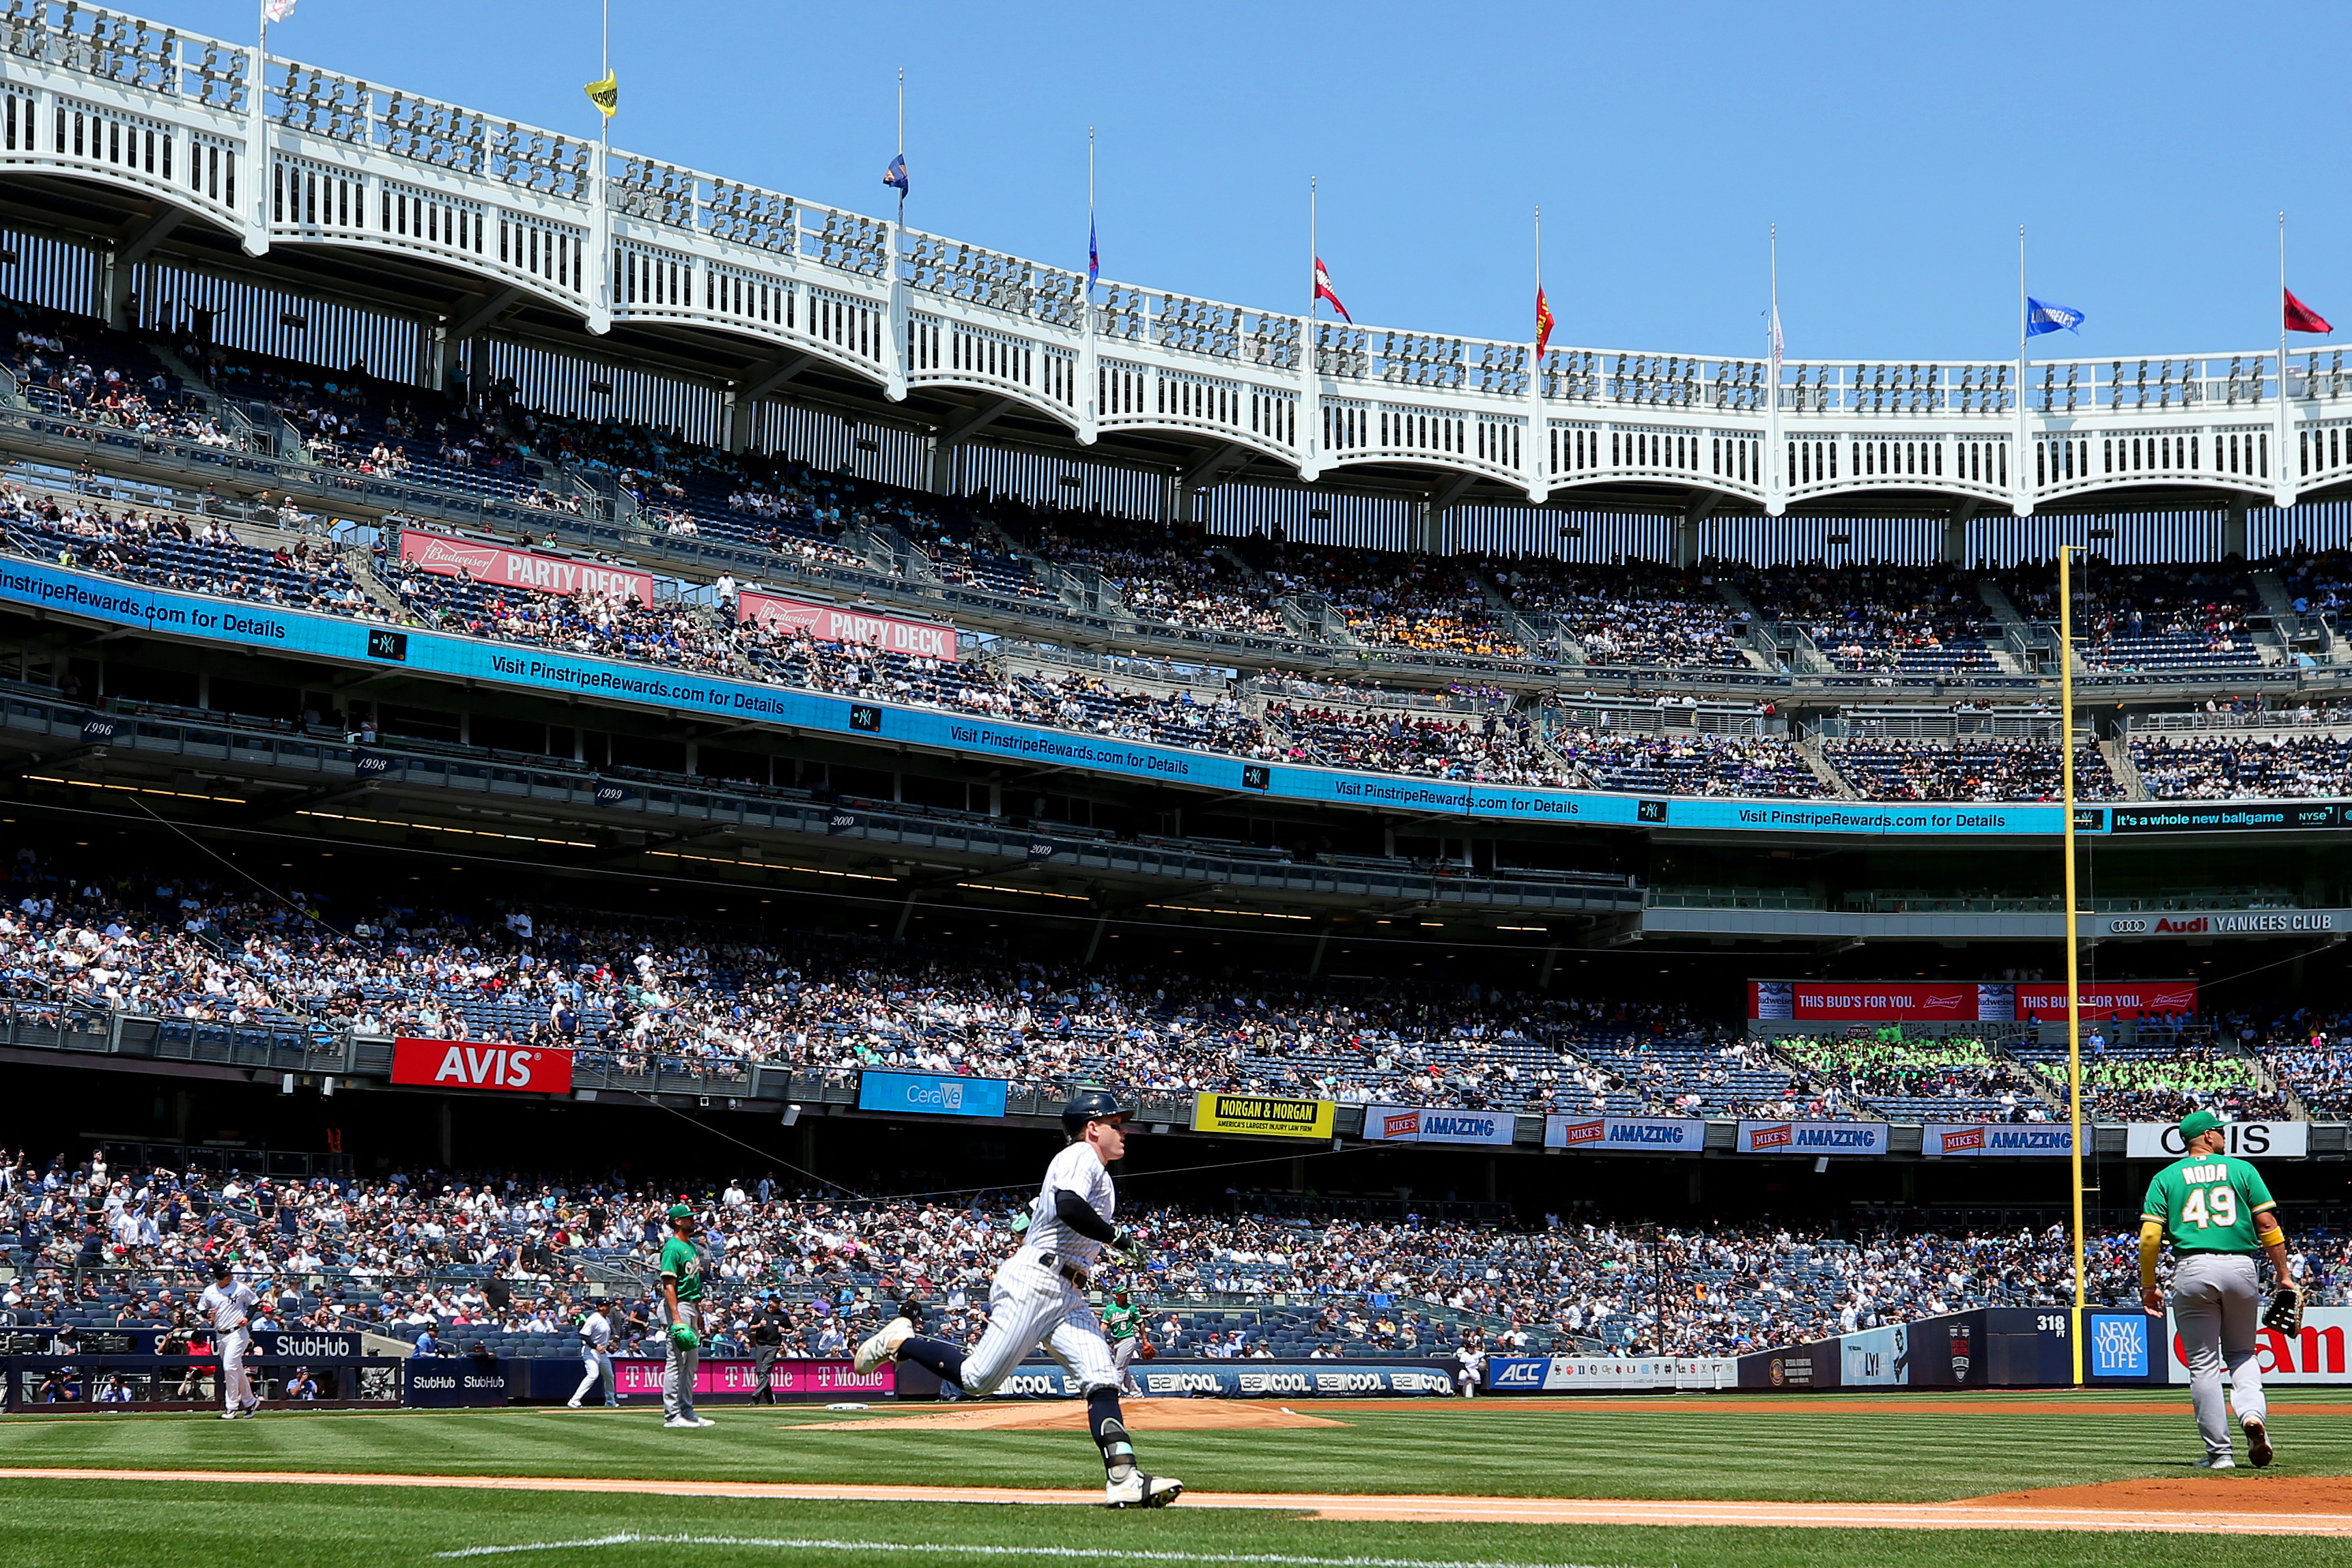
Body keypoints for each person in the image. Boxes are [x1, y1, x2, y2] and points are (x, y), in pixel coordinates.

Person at [853, 1089, 1182, 1508]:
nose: (1124, 1132)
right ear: (1092, 1128)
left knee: (1102, 1379)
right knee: (977, 1381)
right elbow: (1067, 1206)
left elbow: (1032, 1214)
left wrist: (1030, 1217)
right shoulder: (1081, 1155)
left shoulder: (1088, 1166)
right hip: (1037, 1281)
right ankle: (902, 1341)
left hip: (1066, 1292)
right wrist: (1115, 1236)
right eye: (1116, 1125)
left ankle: (1124, 1478)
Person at [2140, 1109, 2299, 1468]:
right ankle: (2251, 1417)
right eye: (2220, 1132)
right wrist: (2283, 1273)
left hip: (2193, 1268)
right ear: (2208, 1137)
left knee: (2203, 1364)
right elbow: (2267, 1222)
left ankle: (2220, 1455)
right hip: (2241, 1266)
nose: (2224, 1137)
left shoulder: (2165, 1177)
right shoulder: (2242, 1170)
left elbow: (2150, 1236)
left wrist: (2149, 1286)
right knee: (2243, 1353)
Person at [657, 1201, 713, 1429]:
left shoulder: (690, 1246)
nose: (693, 1220)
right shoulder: (672, 1247)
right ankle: (672, 1416)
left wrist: (698, 1314)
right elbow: (668, 1285)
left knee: (691, 1363)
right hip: (678, 1305)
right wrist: (677, 1318)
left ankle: (687, 1411)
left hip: (691, 1304)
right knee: (676, 1362)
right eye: (689, 1218)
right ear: (678, 1221)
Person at [197, 1260, 259, 1419]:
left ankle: (231, 1408)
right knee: (236, 1369)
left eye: (230, 1273)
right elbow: (202, 1308)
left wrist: (247, 1318)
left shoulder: (240, 1287)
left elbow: (254, 1302)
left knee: (229, 1367)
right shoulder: (210, 1291)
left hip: (238, 1333)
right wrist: (207, 1314)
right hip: (220, 1334)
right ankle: (250, 1401)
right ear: (218, 1276)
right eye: (226, 1274)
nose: (229, 1276)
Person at [569, 1301, 617, 1409]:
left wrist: (608, 1348)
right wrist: (596, 1347)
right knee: (593, 1375)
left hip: (601, 1351)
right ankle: (574, 1400)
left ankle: (610, 1401)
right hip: (590, 1351)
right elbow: (584, 1335)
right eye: (606, 1305)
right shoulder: (594, 1318)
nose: (609, 1307)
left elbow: (601, 1339)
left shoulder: (606, 1319)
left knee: (609, 1376)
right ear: (600, 1307)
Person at [1101, 1288, 1148, 1397]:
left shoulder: (1132, 1309)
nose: (1125, 1296)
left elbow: (1141, 1324)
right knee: (1123, 1369)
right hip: (1116, 1341)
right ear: (1116, 1295)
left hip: (1128, 1339)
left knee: (1118, 1369)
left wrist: (1145, 1340)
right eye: (1122, 1294)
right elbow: (1104, 1324)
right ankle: (1136, 1393)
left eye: (1126, 1294)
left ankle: (1114, 1393)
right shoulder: (1110, 1309)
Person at [748, 1298, 785, 1405]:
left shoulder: (782, 1315)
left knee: (765, 1371)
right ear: (770, 1302)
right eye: (776, 1302)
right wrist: (759, 1325)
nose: (778, 1304)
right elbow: (750, 1327)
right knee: (760, 1372)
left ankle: (756, 1396)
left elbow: (790, 1329)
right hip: (760, 1344)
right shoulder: (760, 1313)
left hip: (774, 1345)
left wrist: (784, 1330)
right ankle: (770, 1399)